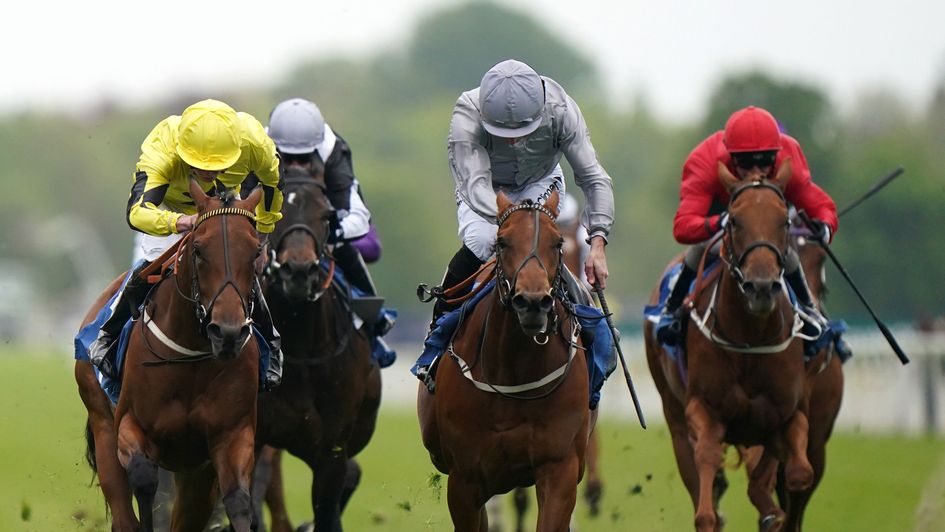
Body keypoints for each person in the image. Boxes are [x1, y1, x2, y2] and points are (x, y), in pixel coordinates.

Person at [88, 99, 285, 389]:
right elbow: (137, 212)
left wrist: (262, 238)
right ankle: (109, 335)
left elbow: (273, 188)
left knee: (236, 268)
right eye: (199, 164)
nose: (208, 171)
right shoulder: (162, 146)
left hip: (226, 210)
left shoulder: (256, 142)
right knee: (151, 263)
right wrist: (179, 222)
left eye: (218, 165)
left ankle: (272, 345)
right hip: (172, 214)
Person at [428, 58, 614, 331]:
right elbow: (474, 184)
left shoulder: (561, 109)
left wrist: (598, 244)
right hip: (486, 190)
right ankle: (438, 331)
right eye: (502, 132)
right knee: (481, 240)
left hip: (541, 181)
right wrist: (514, 221)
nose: (513, 140)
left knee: (542, 242)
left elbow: (593, 177)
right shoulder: (467, 111)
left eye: (522, 132)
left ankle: (594, 334)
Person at [656, 105, 838, 346]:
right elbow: (683, 226)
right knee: (700, 247)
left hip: (764, 218)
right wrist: (719, 222)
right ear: (730, 157)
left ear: (777, 154)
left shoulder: (789, 156)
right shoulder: (705, 160)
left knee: (786, 251)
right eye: (745, 162)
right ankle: (671, 311)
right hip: (721, 214)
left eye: (764, 162)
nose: (755, 172)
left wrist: (824, 228)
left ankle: (809, 310)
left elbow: (822, 206)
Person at [265, 97, 392, 335]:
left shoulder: (333, 151)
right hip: (274, 219)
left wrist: (331, 233)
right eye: (287, 157)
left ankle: (372, 317)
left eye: (303, 158)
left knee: (357, 248)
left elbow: (357, 215)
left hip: (323, 216)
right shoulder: (257, 147)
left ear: (316, 148)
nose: (295, 165)